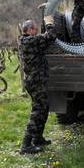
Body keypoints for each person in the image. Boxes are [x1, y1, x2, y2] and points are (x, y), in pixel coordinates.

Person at [19, 15, 56, 154]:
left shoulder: (31, 41)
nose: (36, 31)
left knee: (44, 108)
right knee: (37, 110)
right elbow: (51, 36)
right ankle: (26, 145)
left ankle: (38, 138)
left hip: (36, 80)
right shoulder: (30, 40)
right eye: (34, 28)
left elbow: (45, 41)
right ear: (29, 30)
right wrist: (49, 23)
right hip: (36, 82)